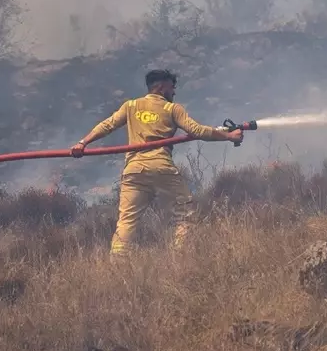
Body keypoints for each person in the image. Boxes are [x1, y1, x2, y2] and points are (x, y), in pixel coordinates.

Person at [71, 69, 242, 256]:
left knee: (127, 221)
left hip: (134, 171)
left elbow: (107, 125)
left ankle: (117, 264)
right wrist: (229, 136)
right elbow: (197, 131)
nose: (174, 92)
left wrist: (83, 143)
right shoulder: (172, 109)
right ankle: (181, 257)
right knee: (185, 214)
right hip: (161, 168)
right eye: (172, 87)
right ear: (161, 86)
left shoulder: (131, 106)